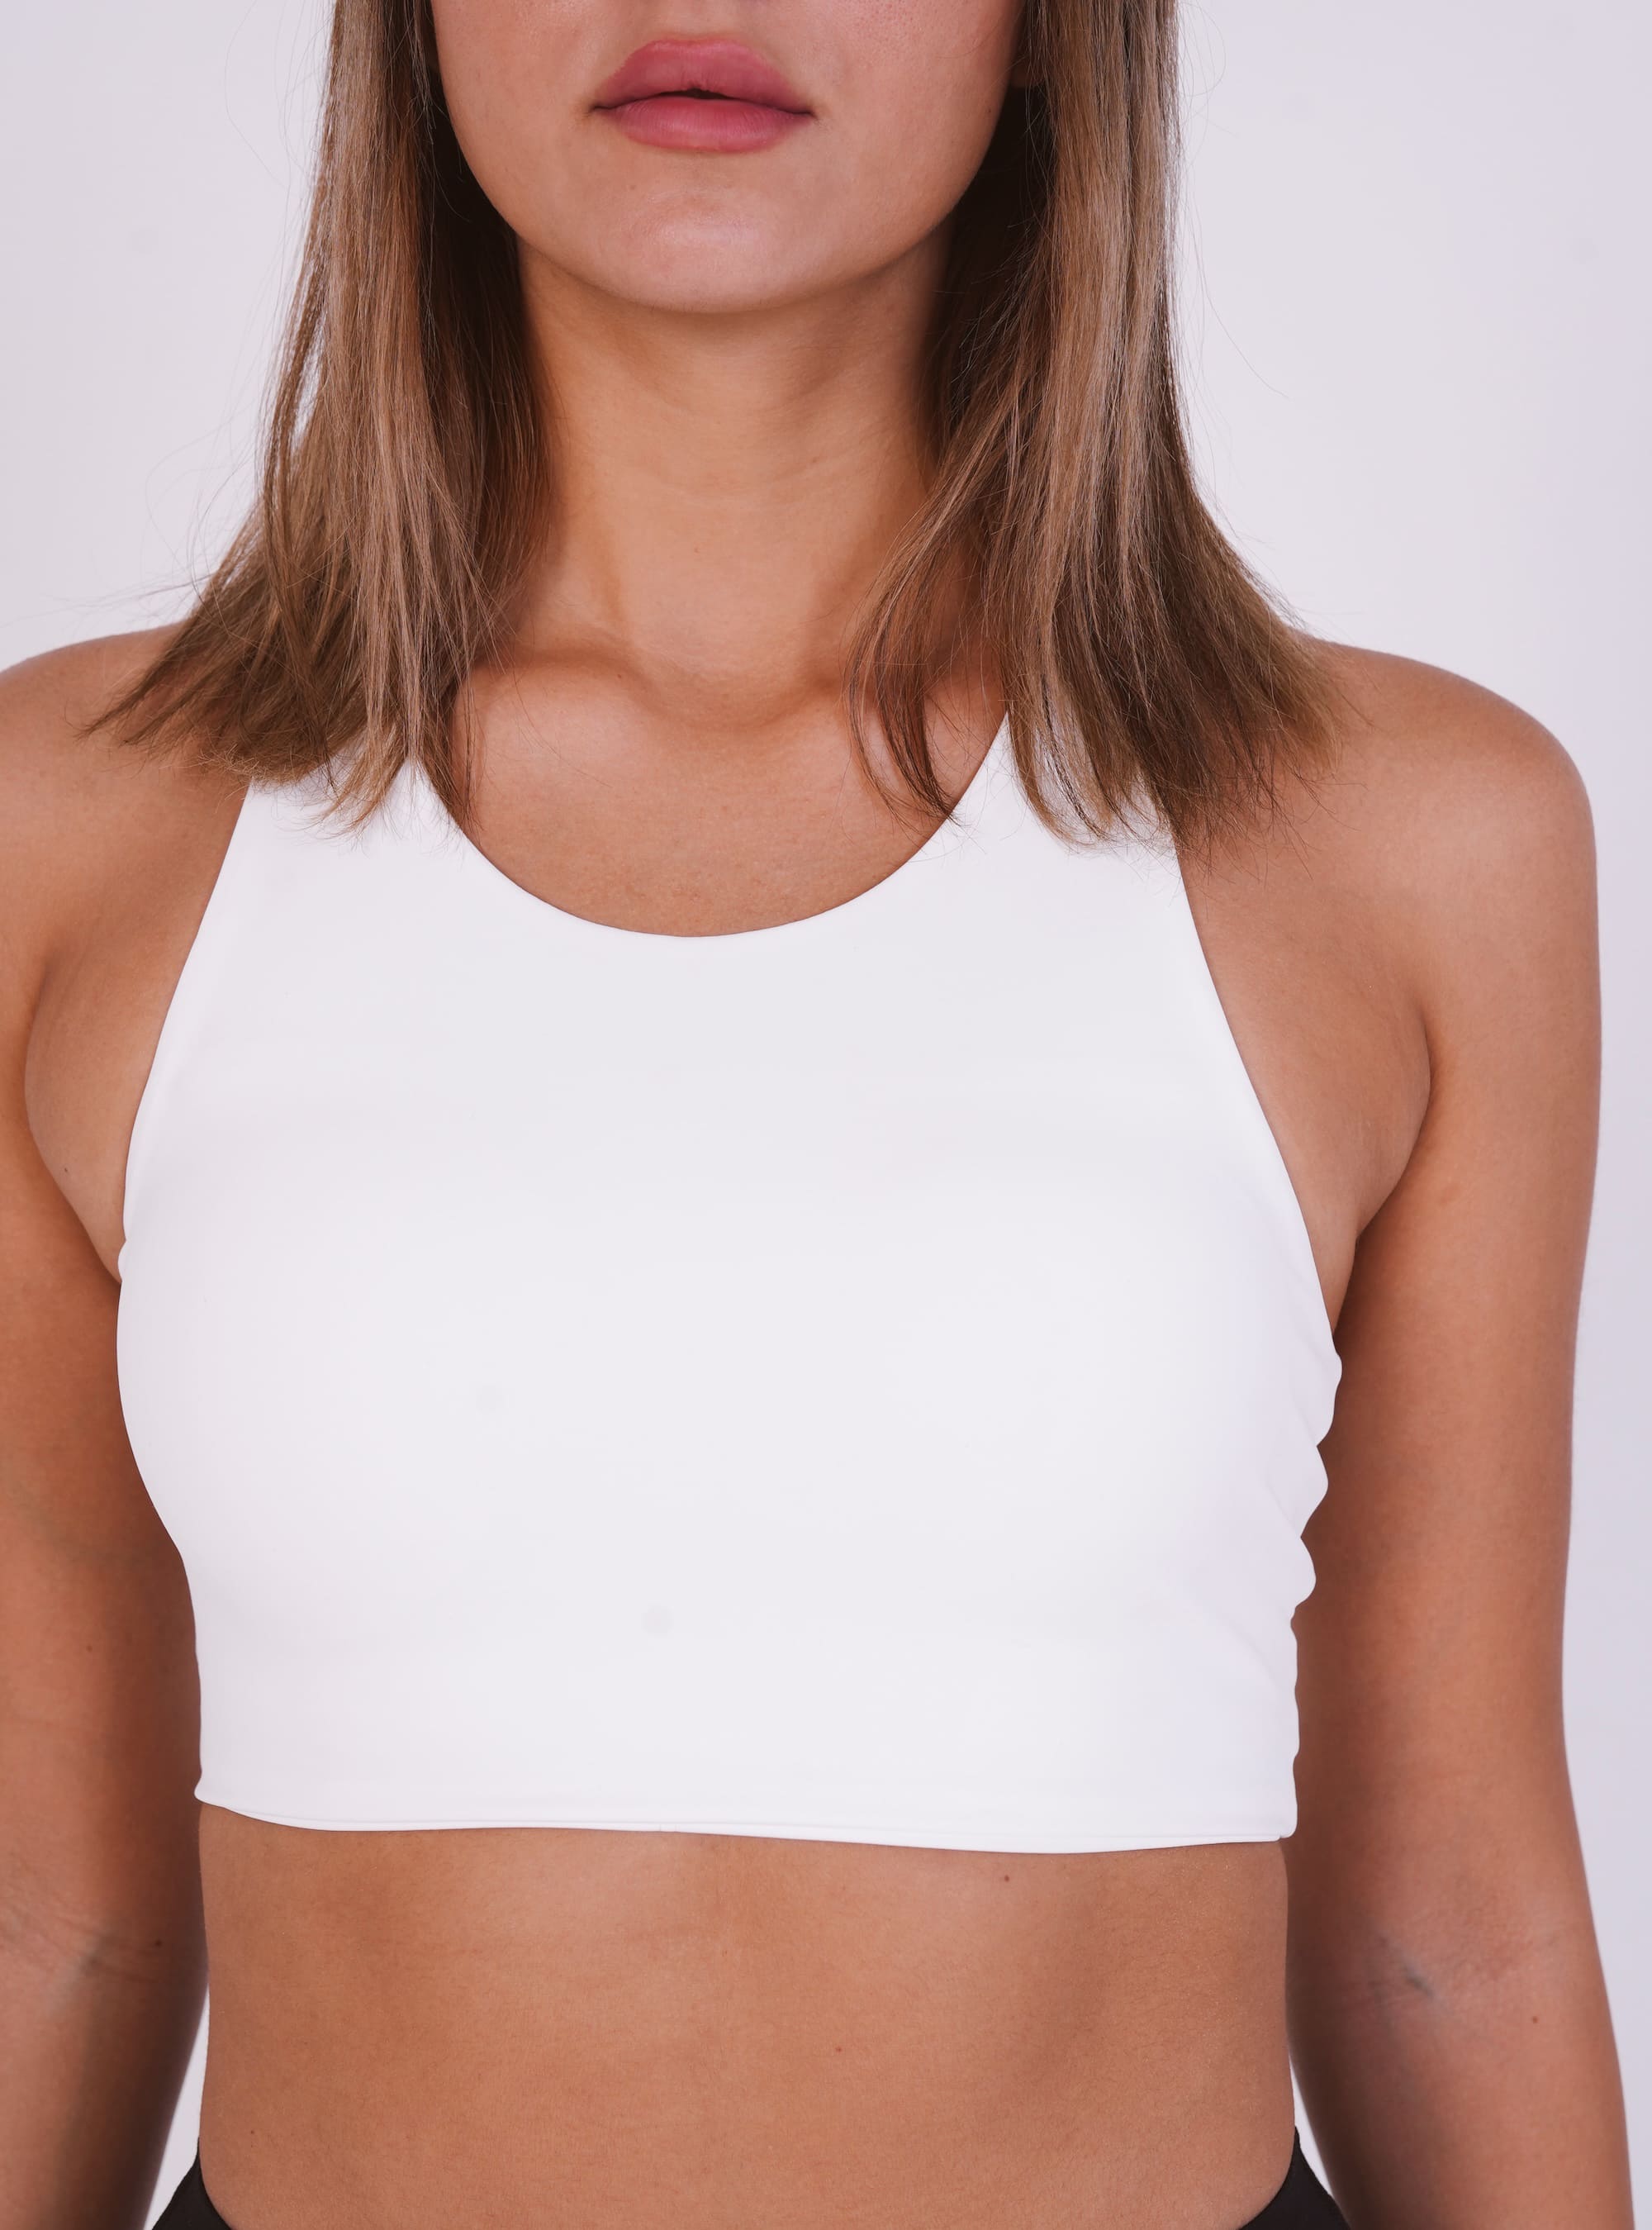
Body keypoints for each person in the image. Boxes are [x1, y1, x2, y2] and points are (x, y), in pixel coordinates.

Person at [0, 2, 1634, 2225]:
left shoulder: (1415, 844)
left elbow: (1447, 1923)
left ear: (1051, 31)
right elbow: (61, 1914)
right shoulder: (81, 831)